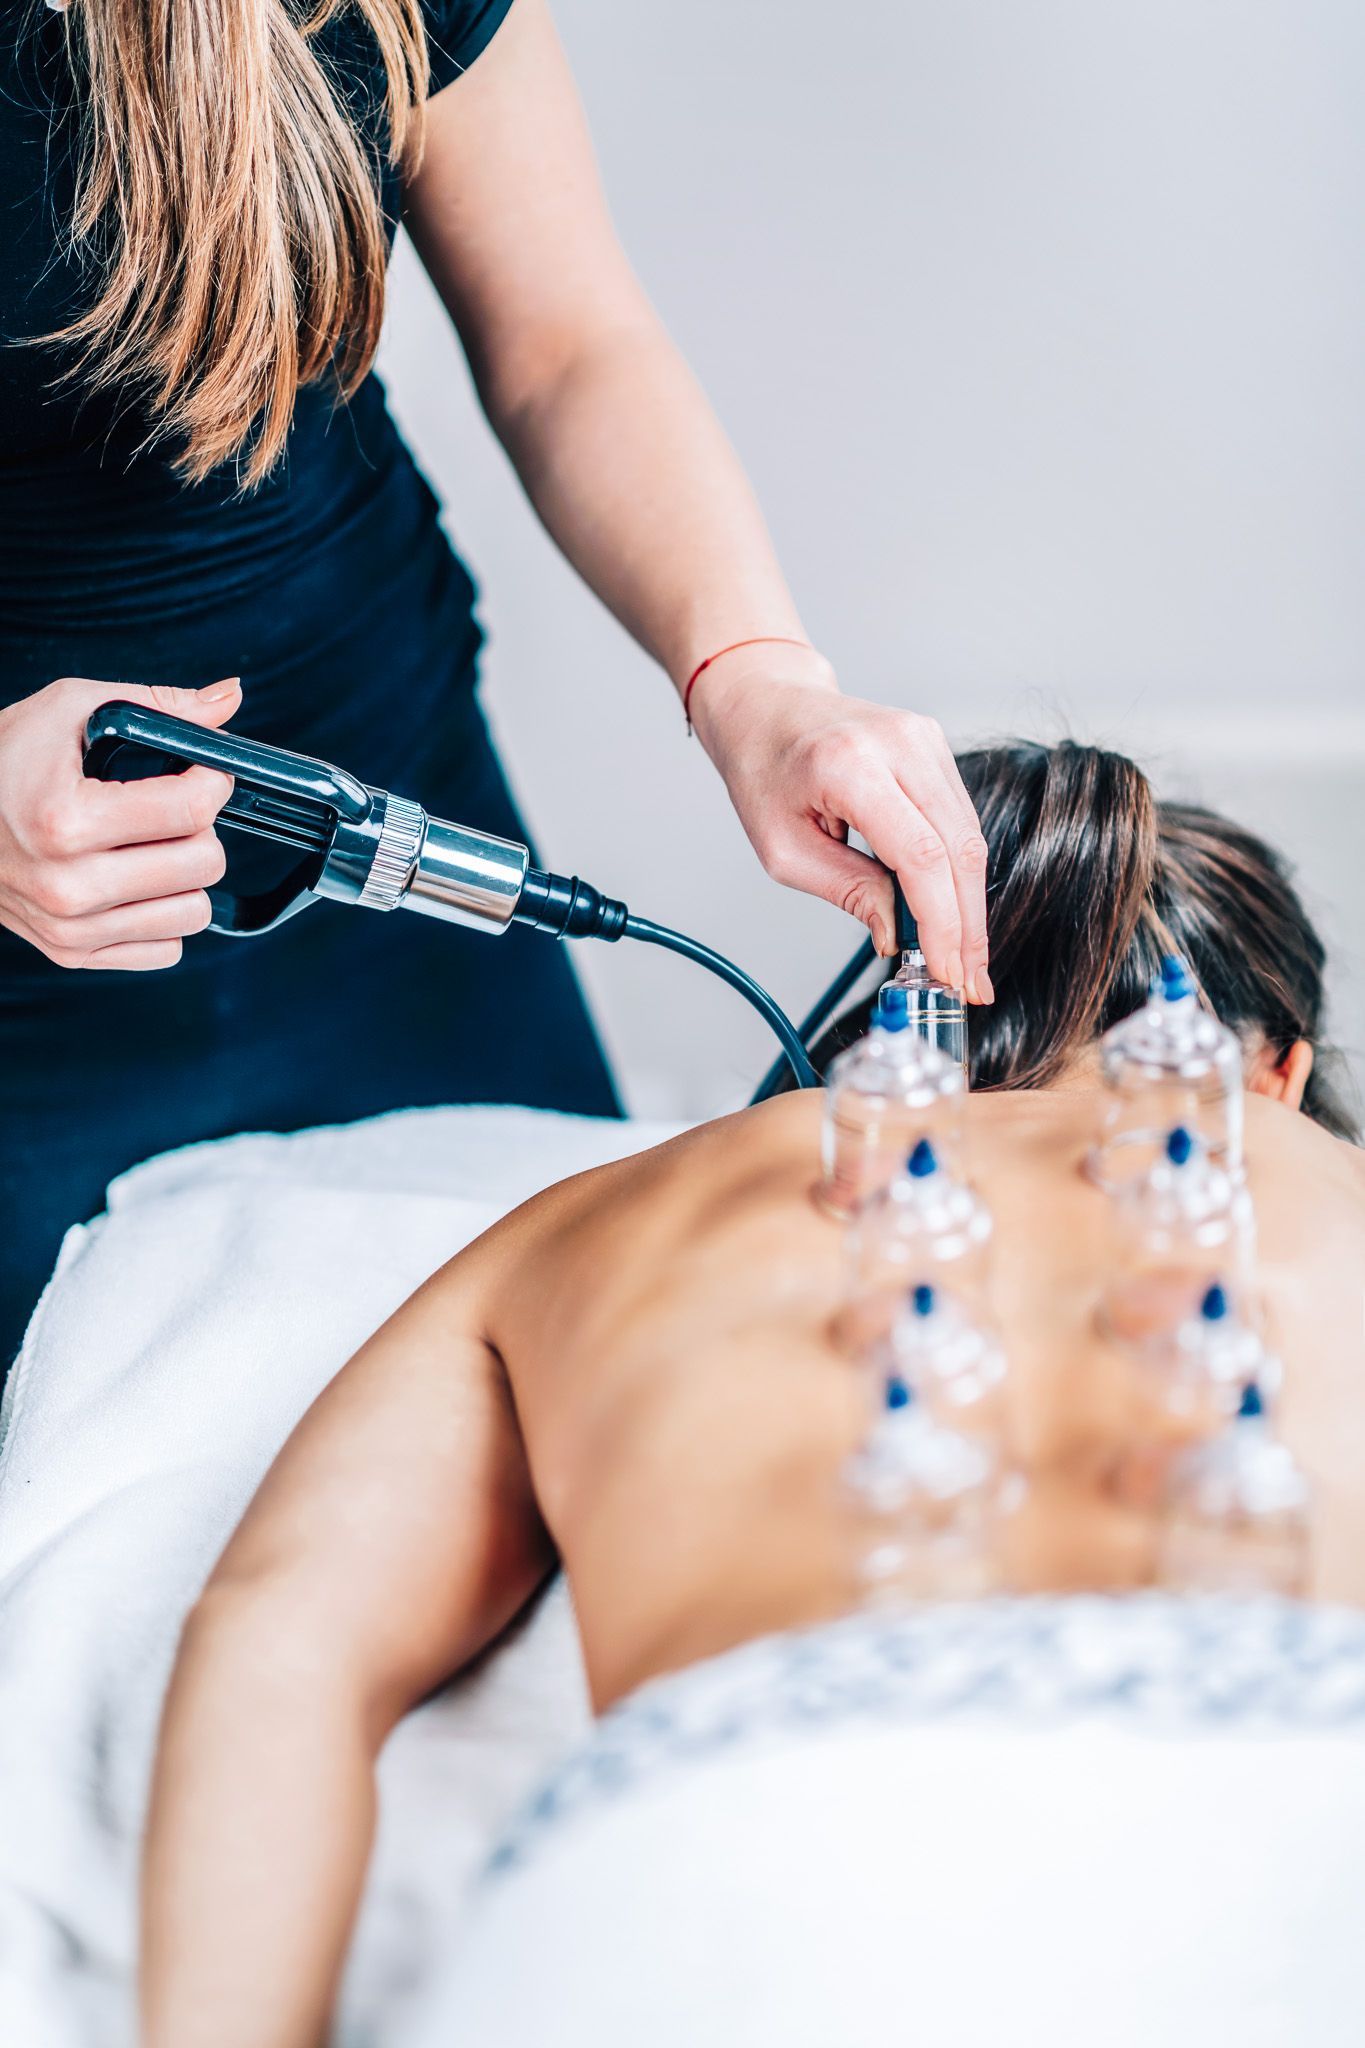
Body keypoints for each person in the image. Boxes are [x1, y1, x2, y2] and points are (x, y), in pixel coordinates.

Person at [139, 739, 1363, 2047]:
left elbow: (284, 1642)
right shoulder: (1323, 1190)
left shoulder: (589, 1227)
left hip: (748, 1836)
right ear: (1277, 1075)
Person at [0, 0, 993, 1377]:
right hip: (29, 991)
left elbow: (568, 345)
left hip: (389, 841)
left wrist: (754, 677)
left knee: (589, 1367)